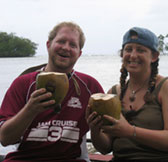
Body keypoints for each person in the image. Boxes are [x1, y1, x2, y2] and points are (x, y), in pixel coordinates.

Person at [0, 21, 104, 162]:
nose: (66, 48)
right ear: (48, 45)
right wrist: (30, 110)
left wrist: (96, 128)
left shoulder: (89, 86)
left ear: (79, 54)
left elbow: (105, 147)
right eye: (61, 41)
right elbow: (5, 139)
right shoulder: (24, 84)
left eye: (73, 45)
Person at [86, 27, 168, 162]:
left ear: (154, 56)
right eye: (128, 49)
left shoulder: (167, 87)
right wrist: (94, 129)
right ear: (122, 54)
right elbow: (105, 148)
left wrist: (130, 131)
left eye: (140, 50)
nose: (133, 55)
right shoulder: (114, 93)